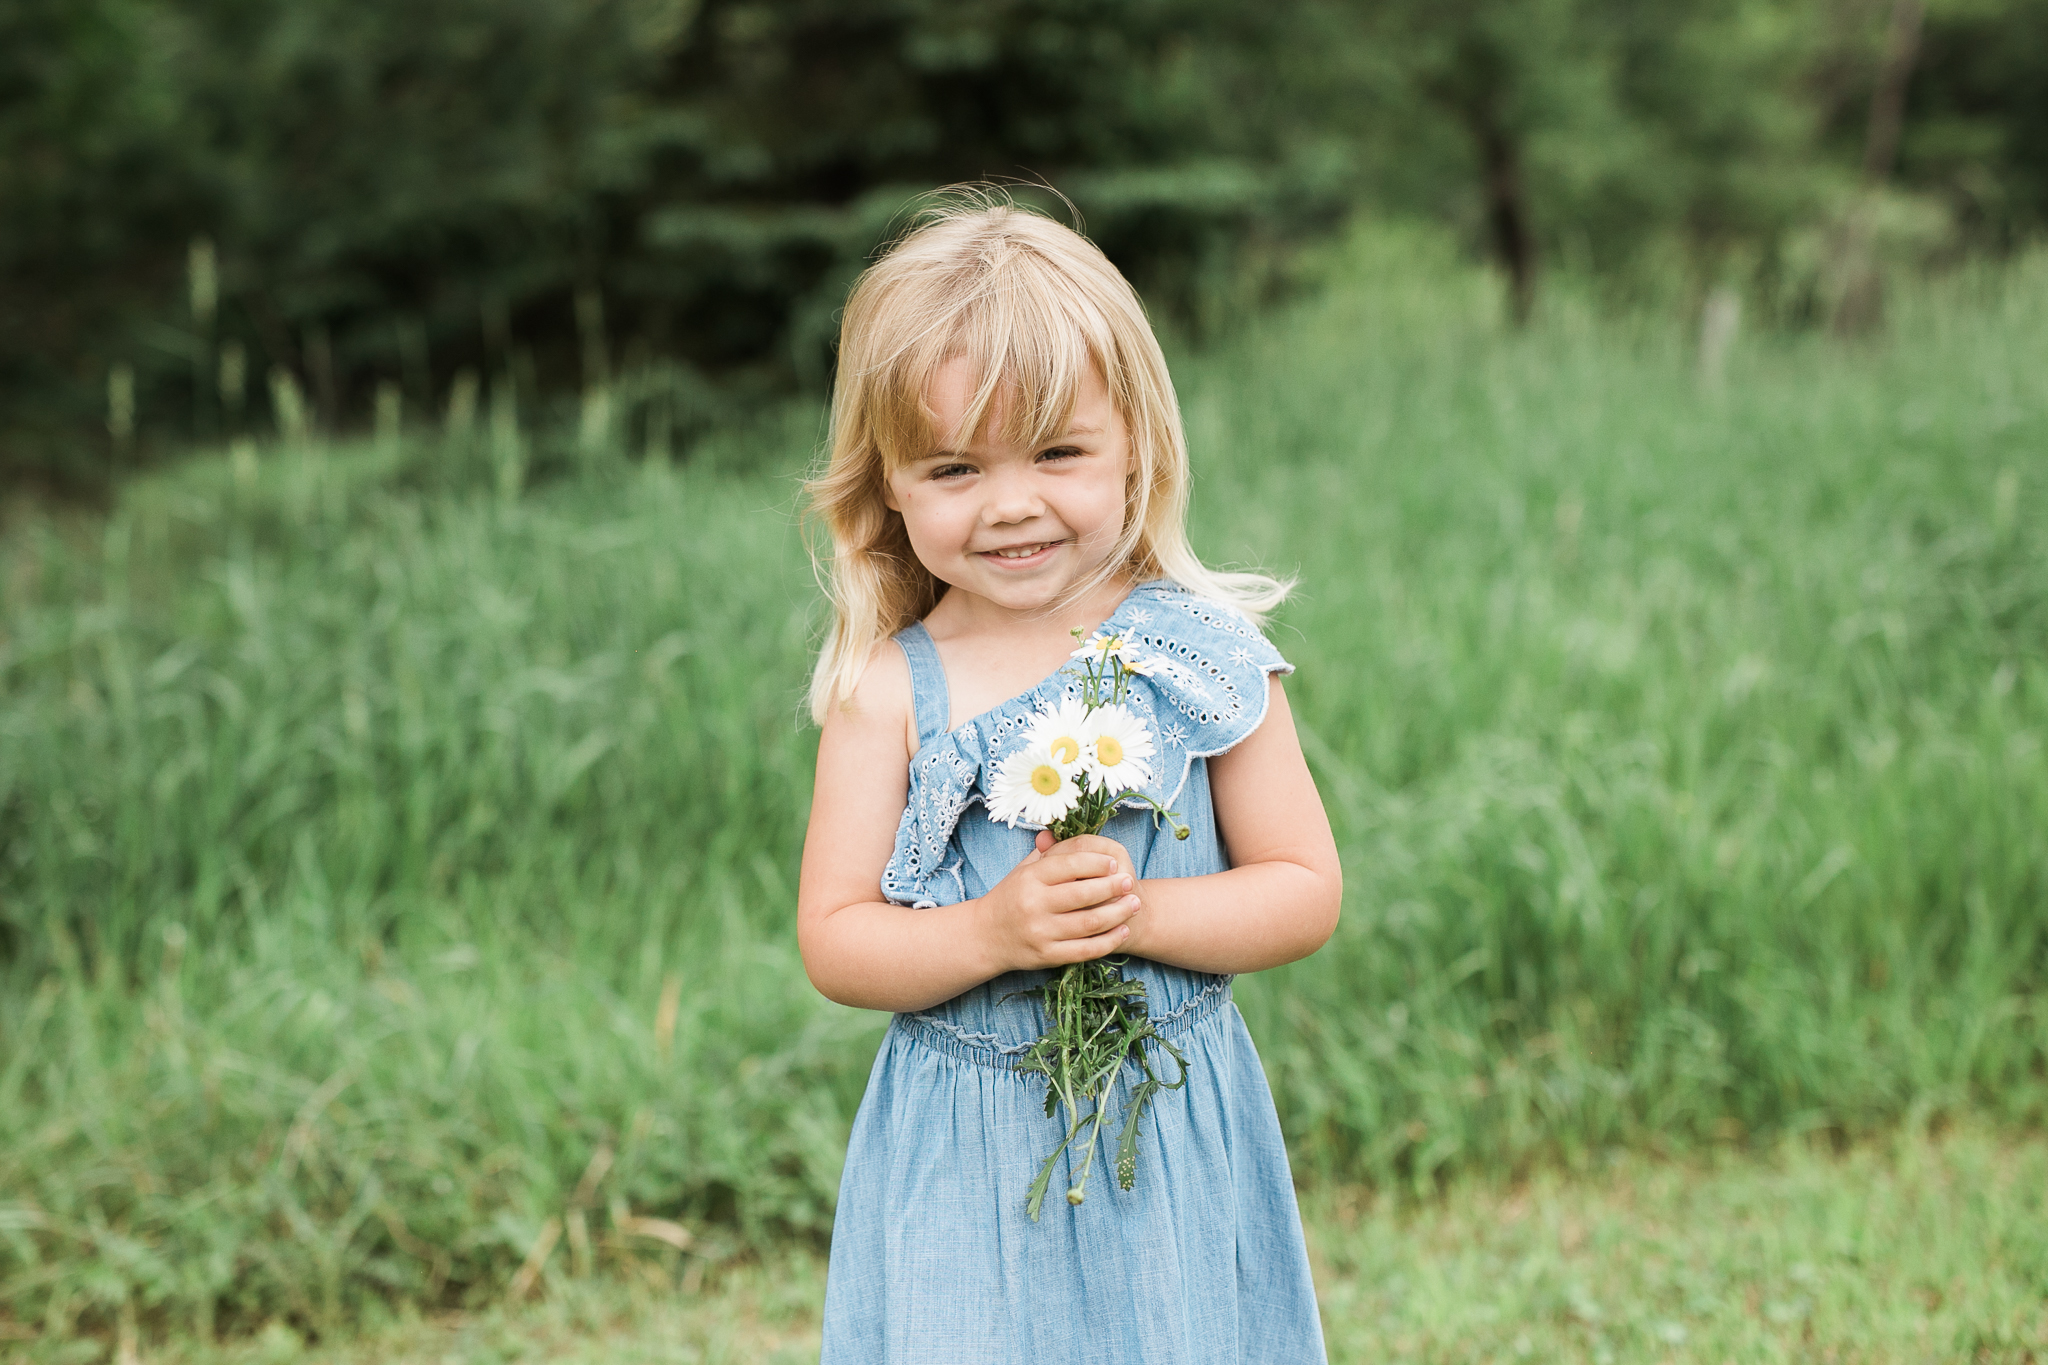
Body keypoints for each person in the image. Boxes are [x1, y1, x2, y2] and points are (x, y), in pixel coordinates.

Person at [798, 189, 1342, 1363]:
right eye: (951, 468)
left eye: (1056, 452)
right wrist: (993, 932)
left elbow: (1301, 887)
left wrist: (1136, 913)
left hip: (1168, 1123)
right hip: (965, 1152)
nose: (1011, 505)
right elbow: (837, 939)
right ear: (887, 482)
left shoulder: (1194, 651)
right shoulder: (888, 691)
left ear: (1133, 440)